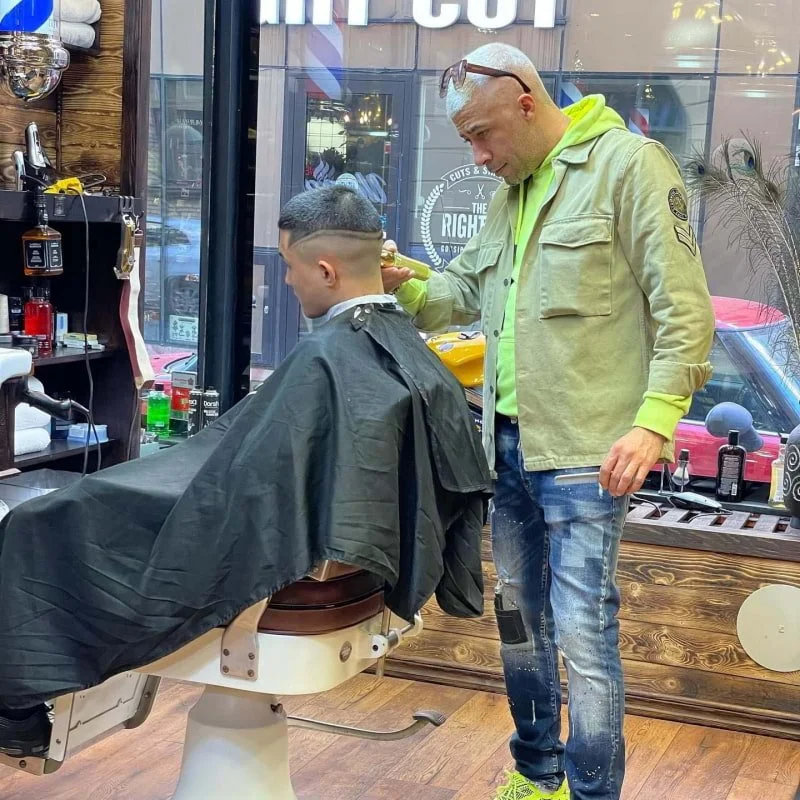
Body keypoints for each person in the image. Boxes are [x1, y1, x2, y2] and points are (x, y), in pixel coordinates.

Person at [0, 185, 490, 758]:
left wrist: (111, 493)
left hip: (283, 571)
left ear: (326, 270)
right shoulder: (406, 349)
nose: (288, 280)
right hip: (359, 580)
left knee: (37, 523)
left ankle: (16, 709)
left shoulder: (332, 356)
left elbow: (244, 489)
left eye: (289, 265)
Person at [382, 43, 715, 800]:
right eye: (467, 140)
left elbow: (686, 313)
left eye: (482, 134)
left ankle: (592, 792)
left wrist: (654, 421)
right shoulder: (511, 192)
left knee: (584, 635)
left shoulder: (630, 167)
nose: (477, 155)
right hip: (505, 450)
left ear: (526, 103)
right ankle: (538, 775)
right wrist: (403, 282)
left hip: (586, 454)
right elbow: (460, 294)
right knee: (517, 622)